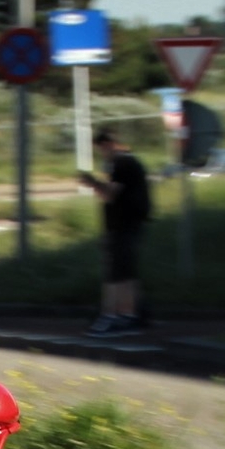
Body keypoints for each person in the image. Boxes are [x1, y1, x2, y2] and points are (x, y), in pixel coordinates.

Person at [76, 127, 151, 336]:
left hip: (123, 225)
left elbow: (110, 194)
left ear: (107, 145)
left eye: (102, 149)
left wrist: (92, 183)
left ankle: (116, 315)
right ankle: (132, 313)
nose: (103, 154)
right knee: (126, 272)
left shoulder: (122, 163)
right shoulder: (129, 162)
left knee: (116, 274)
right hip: (128, 224)